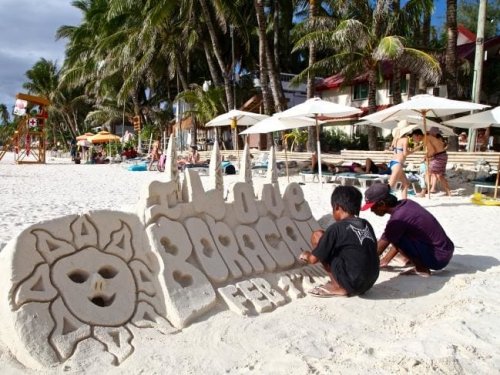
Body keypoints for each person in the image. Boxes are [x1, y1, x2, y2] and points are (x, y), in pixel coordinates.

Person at [298, 186, 379, 297]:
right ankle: (346, 282)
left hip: (352, 284)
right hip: (369, 282)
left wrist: (306, 255)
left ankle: (338, 286)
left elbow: (313, 260)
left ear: (337, 207)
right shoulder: (366, 224)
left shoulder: (336, 228)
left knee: (317, 236)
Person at [361, 183, 454, 277]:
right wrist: (385, 260)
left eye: (372, 207)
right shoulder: (407, 203)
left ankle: (422, 269)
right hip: (446, 249)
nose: (371, 210)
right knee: (397, 235)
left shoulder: (398, 219)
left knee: (396, 237)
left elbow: (379, 249)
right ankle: (414, 260)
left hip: (438, 259)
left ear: (382, 204)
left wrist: (360, 265)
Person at [387, 120, 423, 199]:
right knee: (389, 187)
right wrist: (416, 149)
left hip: (394, 162)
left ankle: (404, 202)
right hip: (398, 164)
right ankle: (379, 201)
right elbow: (405, 153)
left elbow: (392, 148)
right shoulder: (405, 139)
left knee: (406, 184)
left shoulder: (396, 139)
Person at [412, 128, 451, 195]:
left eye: (414, 137)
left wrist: (426, 157)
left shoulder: (426, 139)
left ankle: (425, 191)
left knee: (428, 173)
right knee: (439, 175)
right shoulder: (427, 137)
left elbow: (432, 151)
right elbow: (439, 146)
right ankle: (448, 192)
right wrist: (427, 156)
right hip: (442, 155)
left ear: (418, 135)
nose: (413, 139)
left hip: (439, 157)